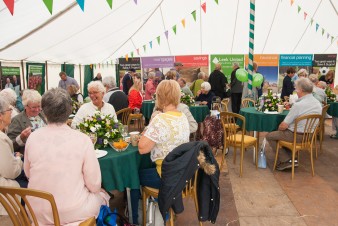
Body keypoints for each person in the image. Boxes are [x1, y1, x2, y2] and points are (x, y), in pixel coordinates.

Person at [24, 88, 109, 225]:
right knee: (103, 196)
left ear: (44, 112)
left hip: (36, 212)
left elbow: (28, 174)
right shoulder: (82, 140)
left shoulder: (32, 138)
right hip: (71, 212)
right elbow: (94, 185)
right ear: (69, 111)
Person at [131, 80, 189, 224]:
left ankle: (135, 218)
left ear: (159, 97)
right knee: (145, 168)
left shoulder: (160, 119)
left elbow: (142, 148)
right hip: (181, 174)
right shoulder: (183, 117)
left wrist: (150, 126)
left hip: (164, 176)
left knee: (132, 177)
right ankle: (163, 207)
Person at [266, 78, 321, 171]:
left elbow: (284, 125)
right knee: (281, 135)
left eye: (296, 89)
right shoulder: (317, 103)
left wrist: (278, 129)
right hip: (310, 136)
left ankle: (286, 160)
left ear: (302, 90)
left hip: (296, 135)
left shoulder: (298, 105)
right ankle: (291, 159)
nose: (295, 90)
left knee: (270, 136)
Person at [0, 98, 27, 216]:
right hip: (4, 186)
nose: (11, 112)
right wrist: (18, 160)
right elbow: (11, 172)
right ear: (0, 115)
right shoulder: (1, 139)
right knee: (33, 185)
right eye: (9, 110)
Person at [7, 90, 46, 154]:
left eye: (39, 106)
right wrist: (21, 138)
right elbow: (10, 146)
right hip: (30, 157)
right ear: (25, 106)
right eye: (33, 107)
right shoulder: (17, 120)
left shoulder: (43, 115)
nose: (37, 110)